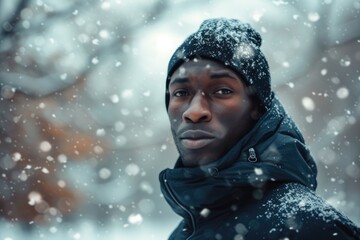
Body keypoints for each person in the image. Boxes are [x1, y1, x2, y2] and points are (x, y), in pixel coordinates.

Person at [158, 18, 360, 239]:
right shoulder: (183, 232)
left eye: (222, 91)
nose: (194, 111)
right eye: (180, 93)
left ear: (257, 109)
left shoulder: (308, 227)